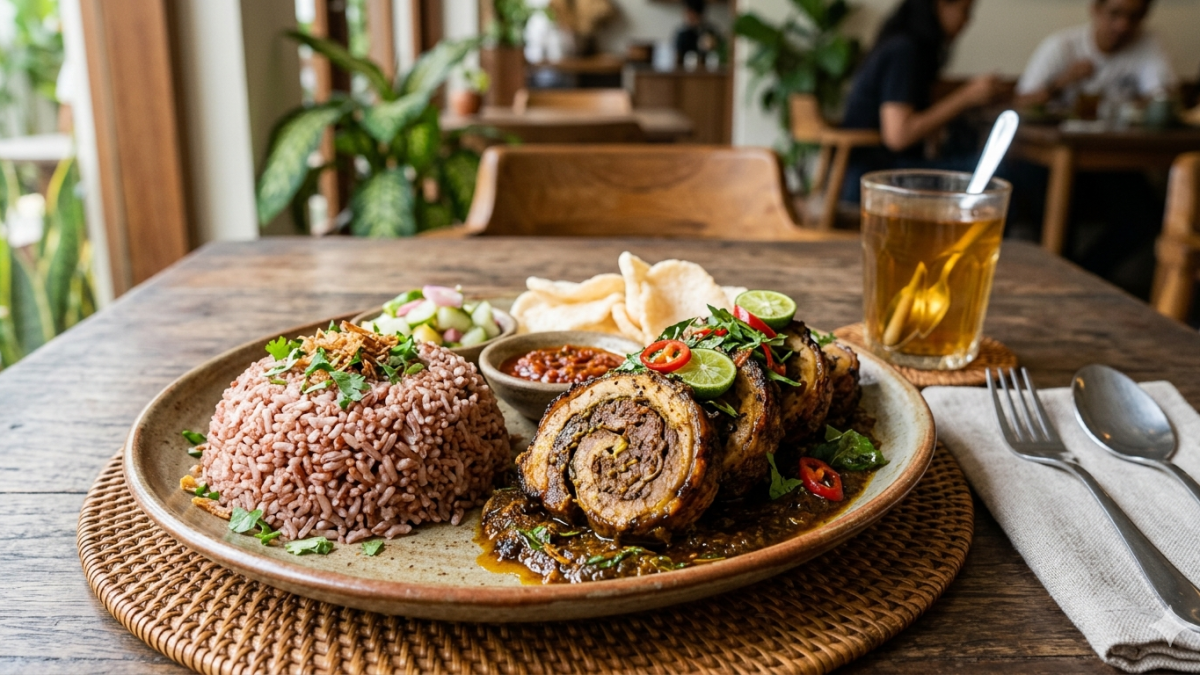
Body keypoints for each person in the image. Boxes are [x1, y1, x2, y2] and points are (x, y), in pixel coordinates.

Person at [840, 0, 1004, 202]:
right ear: (939, 5)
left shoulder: (906, 47)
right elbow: (898, 136)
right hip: (874, 177)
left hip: (874, 172)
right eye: (964, 10)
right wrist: (966, 97)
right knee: (999, 174)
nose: (967, 21)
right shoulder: (903, 50)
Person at [1015, 0, 1176, 112]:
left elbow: (1163, 97)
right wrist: (1063, 81)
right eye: (1115, 13)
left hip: (1122, 145)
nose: (1123, 26)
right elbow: (1021, 102)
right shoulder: (1061, 46)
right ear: (1095, 9)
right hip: (1063, 142)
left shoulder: (1148, 43)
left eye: (1134, 16)